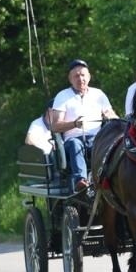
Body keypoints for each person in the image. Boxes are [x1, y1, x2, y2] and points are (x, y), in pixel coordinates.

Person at [47, 59, 117, 192]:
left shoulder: (99, 94)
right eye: (76, 76)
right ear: (70, 79)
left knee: (113, 145)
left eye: (83, 75)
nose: (80, 78)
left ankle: (112, 178)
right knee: (75, 144)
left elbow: (109, 113)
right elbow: (55, 126)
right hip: (72, 141)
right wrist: (74, 124)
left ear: (89, 76)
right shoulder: (62, 96)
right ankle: (81, 180)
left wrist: (118, 121)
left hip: (97, 139)